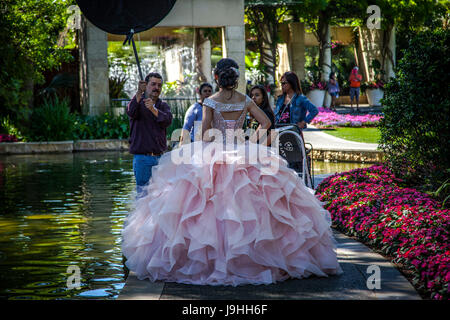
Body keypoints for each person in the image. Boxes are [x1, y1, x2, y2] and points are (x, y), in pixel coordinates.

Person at [122, 58, 342, 286]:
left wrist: (208, 142)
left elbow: (204, 133)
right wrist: (251, 142)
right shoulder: (245, 100)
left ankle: (215, 260)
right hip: (241, 150)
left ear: (217, 78)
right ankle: (256, 258)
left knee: (210, 207)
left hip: (216, 152)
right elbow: (267, 122)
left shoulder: (210, 101)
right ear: (235, 79)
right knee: (250, 204)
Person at [126, 72, 173, 197]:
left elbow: (167, 120)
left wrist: (153, 109)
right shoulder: (137, 103)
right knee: (143, 195)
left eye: (159, 85)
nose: (156, 88)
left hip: (161, 158)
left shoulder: (163, 106)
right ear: (146, 86)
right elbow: (130, 111)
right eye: (153, 84)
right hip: (143, 159)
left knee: (161, 196)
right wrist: (138, 93)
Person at [274, 71, 318, 136]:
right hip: (278, 129)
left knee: (265, 139)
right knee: (262, 135)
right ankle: (256, 144)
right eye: (281, 83)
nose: (282, 85)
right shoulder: (280, 98)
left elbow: (314, 110)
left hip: (292, 131)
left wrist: (303, 122)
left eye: (284, 83)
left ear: (292, 83)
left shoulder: (300, 98)